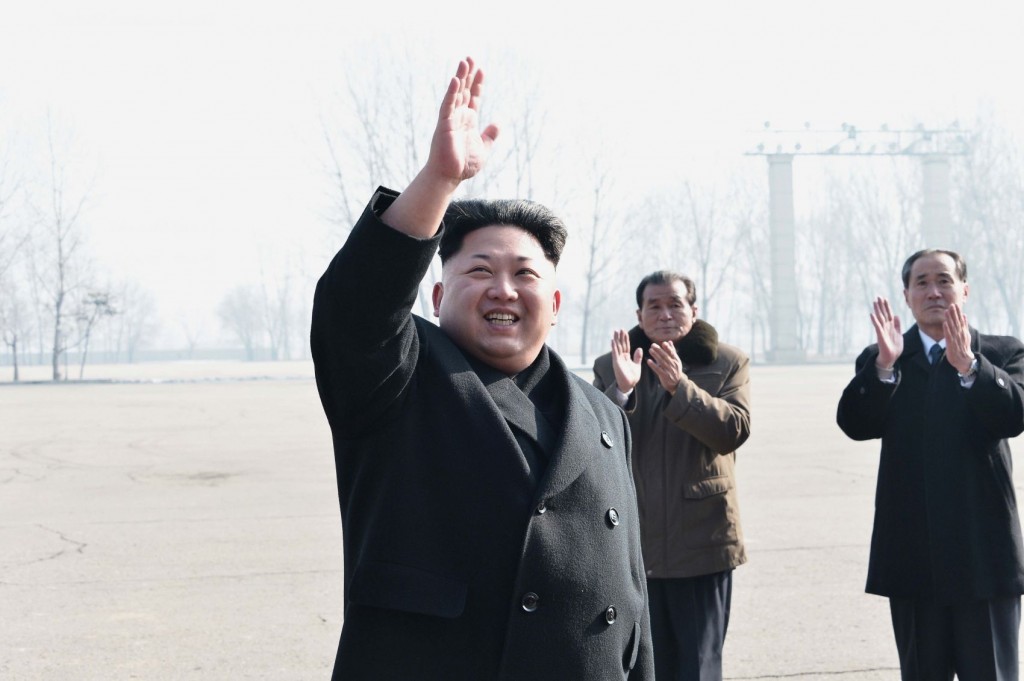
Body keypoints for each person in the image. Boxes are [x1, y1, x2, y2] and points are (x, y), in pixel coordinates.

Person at [310, 57, 653, 680]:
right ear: (437, 298)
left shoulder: (603, 413)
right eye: (478, 271)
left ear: (553, 304)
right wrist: (439, 182)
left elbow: (630, 595)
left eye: (525, 274)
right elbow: (356, 308)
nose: (503, 289)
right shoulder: (400, 375)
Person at [837, 249, 1024, 680]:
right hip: (911, 557)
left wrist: (971, 368)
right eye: (921, 282)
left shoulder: (1002, 353)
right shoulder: (884, 358)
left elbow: (1014, 418)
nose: (933, 291)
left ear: (964, 289)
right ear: (906, 295)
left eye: (944, 280)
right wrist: (883, 367)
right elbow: (856, 424)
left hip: (985, 556)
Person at [592, 271, 751, 681]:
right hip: (635, 545)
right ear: (639, 315)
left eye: (675, 304)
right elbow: (594, 443)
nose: (665, 314)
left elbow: (732, 430)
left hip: (702, 542)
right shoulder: (612, 365)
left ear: (693, 311)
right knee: (645, 666)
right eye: (654, 306)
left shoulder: (726, 362)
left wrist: (679, 387)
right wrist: (622, 393)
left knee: (699, 666)